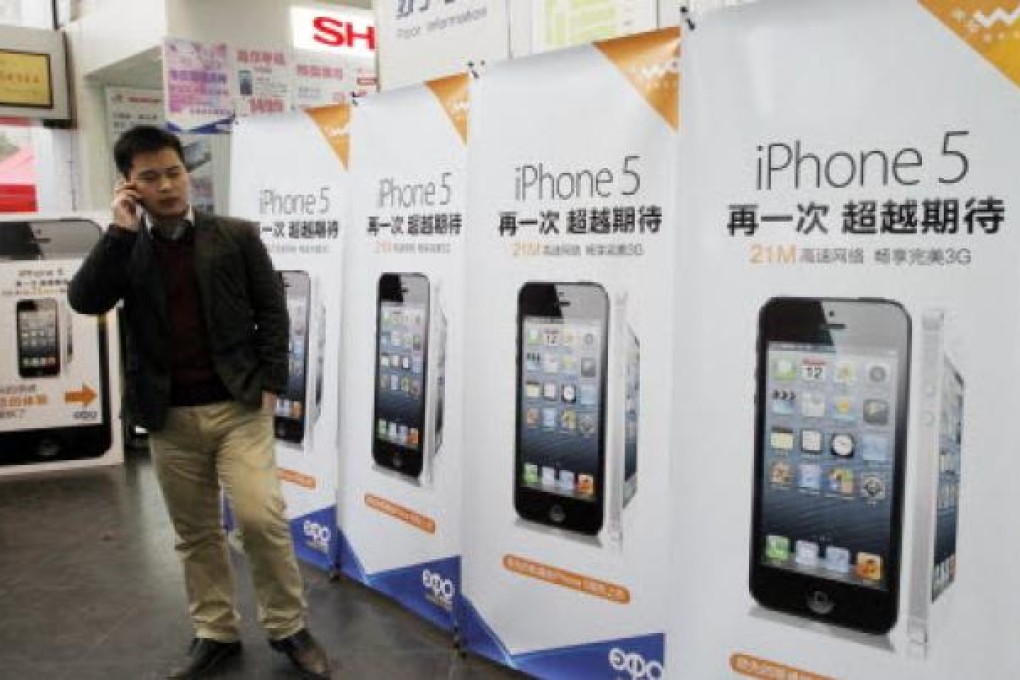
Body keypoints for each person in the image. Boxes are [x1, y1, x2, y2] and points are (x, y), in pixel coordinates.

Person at [68, 125, 331, 679]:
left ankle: (288, 627)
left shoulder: (234, 235)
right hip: (167, 415)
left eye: (174, 172)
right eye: (150, 177)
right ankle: (215, 630)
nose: (166, 186)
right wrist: (118, 232)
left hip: (238, 407)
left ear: (187, 172)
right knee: (195, 532)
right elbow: (85, 298)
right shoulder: (125, 248)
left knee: (261, 517)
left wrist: (273, 380)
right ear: (129, 185)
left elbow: (273, 309)